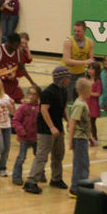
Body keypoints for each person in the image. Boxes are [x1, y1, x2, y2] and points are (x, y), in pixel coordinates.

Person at [23, 66, 71, 195]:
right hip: (46, 129)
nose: (69, 80)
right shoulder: (48, 92)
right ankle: (31, 181)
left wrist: (68, 121)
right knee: (42, 155)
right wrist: (51, 127)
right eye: (67, 77)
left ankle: (56, 178)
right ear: (61, 78)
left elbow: (65, 108)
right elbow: (44, 110)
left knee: (58, 154)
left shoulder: (64, 90)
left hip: (58, 127)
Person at [69, 78, 94, 196]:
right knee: (80, 164)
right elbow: (72, 123)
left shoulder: (84, 103)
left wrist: (91, 137)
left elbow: (85, 123)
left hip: (83, 137)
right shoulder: (79, 105)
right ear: (84, 90)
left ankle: (82, 186)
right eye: (90, 89)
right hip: (79, 138)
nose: (91, 91)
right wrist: (70, 141)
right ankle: (75, 188)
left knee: (84, 163)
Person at [11, 86, 41, 186]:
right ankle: (16, 176)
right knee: (21, 157)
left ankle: (40, 174)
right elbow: (15, 120)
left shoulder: (40, 108)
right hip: (24, 138)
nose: (32, 96)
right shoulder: (23, 107)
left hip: (37, 138)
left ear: (38, 96)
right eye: (30, 94)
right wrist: (21, 131)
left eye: (34, 94)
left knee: (39, 157)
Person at [62, 21, 94, 102]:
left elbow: (91, 59)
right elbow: (67, 61)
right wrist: (84, 62)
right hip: (67, 74)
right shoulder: (68, 41)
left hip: (81, 74)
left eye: (78, 31)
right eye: (75, 31)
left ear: (84, 31)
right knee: (66, 99)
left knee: (80, 98)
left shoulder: (89, 42)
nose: (76, 33)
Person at [87, 62, 102, 144]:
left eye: (92, 69)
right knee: (87, 121)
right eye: (89, 68)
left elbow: (98, 93)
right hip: (86, 103)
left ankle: (94, 138)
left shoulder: (98, 81)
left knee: (92, 121)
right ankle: (89, 137)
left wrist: (89, 93)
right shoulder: (86, 79)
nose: (90, 70)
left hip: (93, 104)